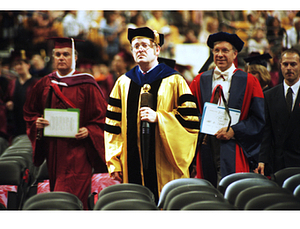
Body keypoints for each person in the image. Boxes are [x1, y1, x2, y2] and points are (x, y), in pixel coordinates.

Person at [104, 27, 200, 203]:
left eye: (145, 45)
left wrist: (160, 118)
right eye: (136, 46)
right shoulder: (123, 83)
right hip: (130, 161)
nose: (140, 49)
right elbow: (112, 126)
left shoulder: (174, 80)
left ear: (157, 50)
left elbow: (190, 122)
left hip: (165, 163)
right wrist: (114, 161)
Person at [23, 37, 108, 209]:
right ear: (53, 57)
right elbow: (30, 112)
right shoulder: (44, 83)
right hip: (54, 151)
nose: (61, 57)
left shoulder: (87, 84)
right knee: (57, 197)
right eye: (58, 54)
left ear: (74, 58)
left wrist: (89, 130)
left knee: (72, 199)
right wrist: (36, 123)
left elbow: (103, 118)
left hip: (79, 152)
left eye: (66, 54)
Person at [190, 32, 265, 187]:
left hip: (234, 146)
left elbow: (258, 119)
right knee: (208, 192)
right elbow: (190, 114)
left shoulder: (249, 82)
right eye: (216, 50)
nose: (220, 55)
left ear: (235, 53)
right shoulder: (200, 80)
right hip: (205, 146)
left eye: (225, 50)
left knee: (232, 191)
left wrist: (234, 131)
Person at [259, 48, 300, 175]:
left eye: (293, 64)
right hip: (278, 163)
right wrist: (262, 160)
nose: (289, 68)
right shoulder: (269, 95)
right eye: (285, 64)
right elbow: (266, 131)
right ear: (280, 66)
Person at [6, 50, 38, 138]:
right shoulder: (12, 83)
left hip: (31, 123)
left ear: (28, 65)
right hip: (15, 123)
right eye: (16, 64)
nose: (18, 67)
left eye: (21, 64)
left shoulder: (36, 83)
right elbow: (7, 98)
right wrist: (8, 104)